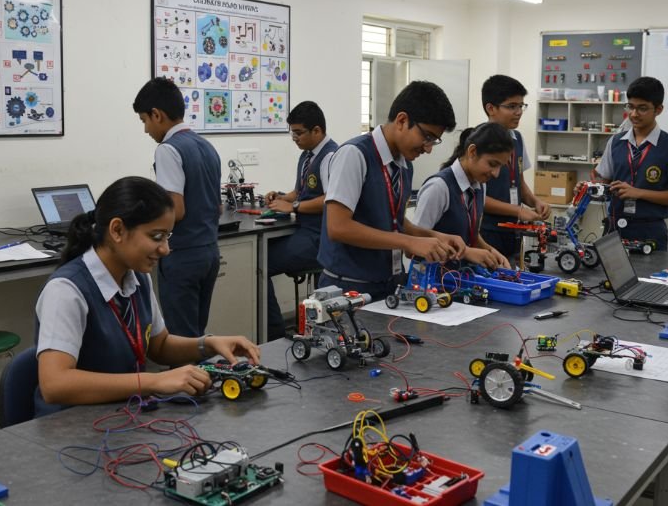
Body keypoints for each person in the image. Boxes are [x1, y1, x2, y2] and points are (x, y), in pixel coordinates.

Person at [35, 177, 259, 414]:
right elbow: (54, 384)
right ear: (118, 230)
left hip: (124, 414)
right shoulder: (66, 291)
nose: (165, 249)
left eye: (167, 237)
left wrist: (208, 344)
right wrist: (153, 381)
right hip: (70, 426)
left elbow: (158, 345)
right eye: (156, 237)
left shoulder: (136, 278)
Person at [318, 81, 466, 300]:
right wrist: (409, 242)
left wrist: (435, 236)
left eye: (434, 141)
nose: (427, 148)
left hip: (389, 284)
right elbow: (338, 227)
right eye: (426, 137)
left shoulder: (404, 164)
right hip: (349, 287)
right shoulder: (354, 154)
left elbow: (393, 221)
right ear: (402, 120)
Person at [134, 77, 222, 337]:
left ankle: (185, 378)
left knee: (182, 340)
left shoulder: (168, 150)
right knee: (197, 334)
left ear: (156, 115)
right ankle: (201, 377)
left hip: (183, 255)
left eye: (144, 121)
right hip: (209, 252)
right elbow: (216, 206)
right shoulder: (206, 146)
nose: (146, 130)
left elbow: (175, 210)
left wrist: (139, 218)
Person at [263, 101, 338, 341]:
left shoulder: (331, 157)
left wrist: (293, 206)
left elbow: (330, 199)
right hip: (303, 231)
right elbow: (302, 191)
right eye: (292, 132)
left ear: (317, 131)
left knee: (260, 261)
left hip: (319, 238)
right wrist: (282, 197)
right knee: (262, 252)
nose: (294, 138)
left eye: (298, 132)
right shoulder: (307, 156)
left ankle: (272, 333)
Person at [592, 76, 668, 249]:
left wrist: (638, 193)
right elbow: (604, 188)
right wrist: (589, 189)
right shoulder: (615, 142)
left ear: (658, 109)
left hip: (650, 230)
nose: (634, 114)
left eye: (642, 108)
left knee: (649, 275)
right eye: (630, 107)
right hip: (614, 227)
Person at [414, 122, 512, 270]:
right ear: (472, 152)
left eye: (500, 167)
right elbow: (414, 245)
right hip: (432, 281)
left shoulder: (480, 186)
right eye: (492, 164)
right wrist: (466, 253)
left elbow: (470, 232)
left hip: (461, 279)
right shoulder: (439, 187)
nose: (496, 174)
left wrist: (490, 251)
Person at [479, 75, 551, 258]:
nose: (518, 112)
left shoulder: (517, 138)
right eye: (511, 106)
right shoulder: (479, 141)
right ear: (491, 108)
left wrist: (535, 202)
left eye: (521, 106)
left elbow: (518, 183)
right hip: (486, 232)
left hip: (513, 230)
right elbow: (478, 197)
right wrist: (518, 210)